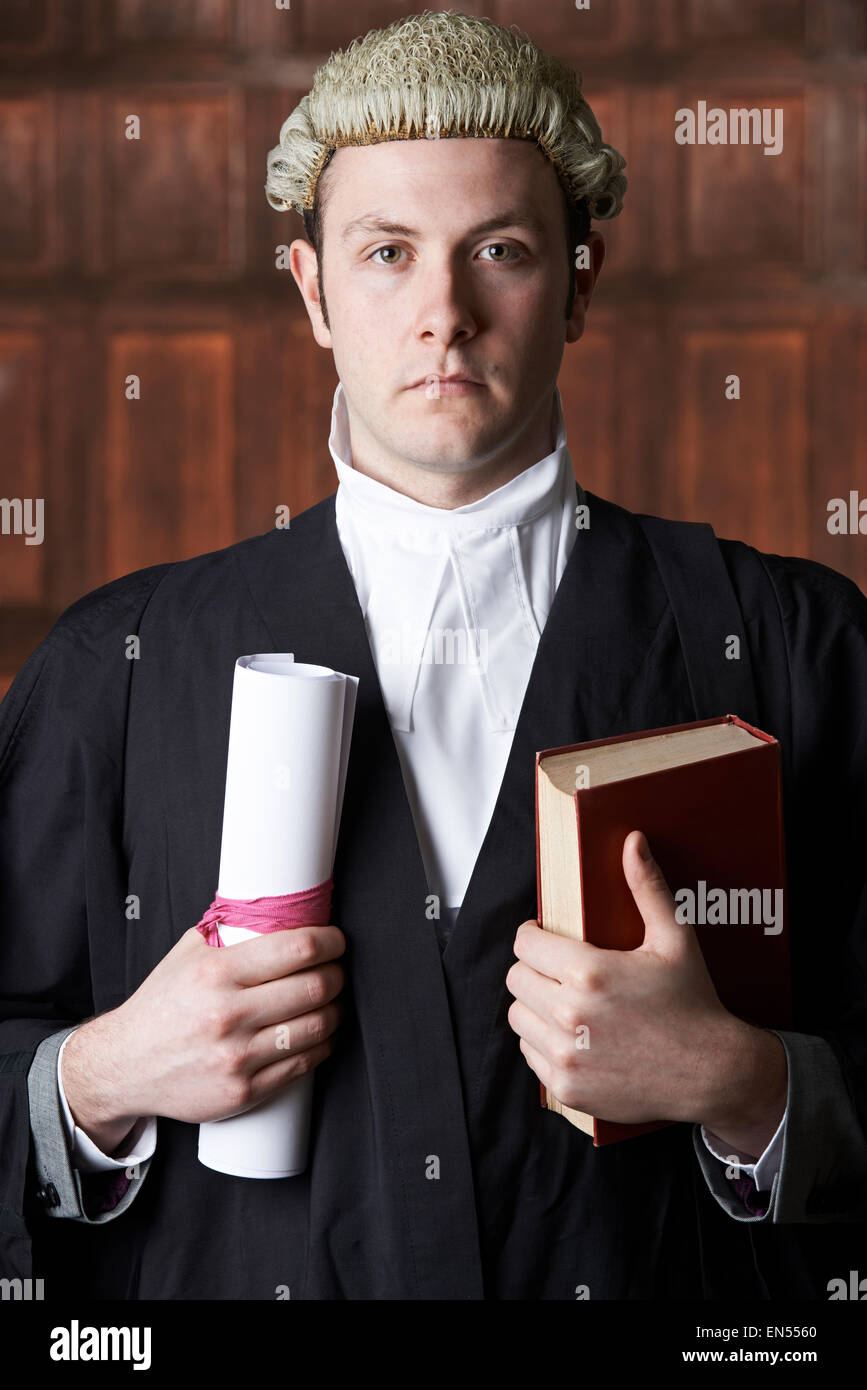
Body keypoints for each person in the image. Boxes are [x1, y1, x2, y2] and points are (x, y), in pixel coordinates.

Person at [1, 10, 865, 1301]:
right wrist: (100, 1077)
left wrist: (747, 1084)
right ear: (313, 290)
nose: (442, 314)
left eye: (500, 251)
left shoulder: (800, 645)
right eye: (389, 252)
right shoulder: (112, 663)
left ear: (579, 282)